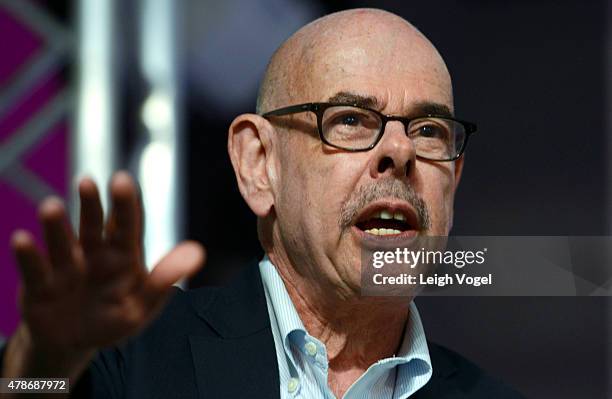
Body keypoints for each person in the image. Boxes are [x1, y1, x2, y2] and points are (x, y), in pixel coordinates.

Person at [1, 8, 524, 399]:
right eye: (350, 120)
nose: (400, 151)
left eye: (429, 131)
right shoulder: (133, 357)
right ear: (257, 164)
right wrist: (44, 359)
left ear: (452, 180)